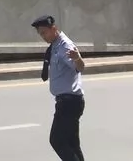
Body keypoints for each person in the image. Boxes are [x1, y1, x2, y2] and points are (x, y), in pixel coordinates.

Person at [32, 15, 85, 161]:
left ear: (53, 28)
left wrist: (77, 58)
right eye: (40, 34)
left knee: (57, 141)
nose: (43, 37)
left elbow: (80, 67)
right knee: (72, 144)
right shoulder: (55, 45)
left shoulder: (65, 45)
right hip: (68, 101)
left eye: (44, 32)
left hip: (69, 102)